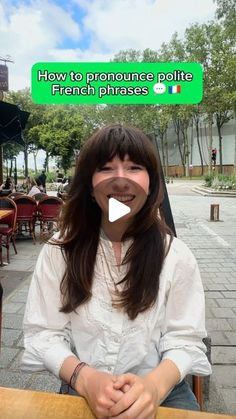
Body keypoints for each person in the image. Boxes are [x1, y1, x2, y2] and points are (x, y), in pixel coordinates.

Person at [22, 125, 211, 419]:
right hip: (82, 387)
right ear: (88, 183)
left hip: (164, 393)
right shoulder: (59, 250)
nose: (121, 179)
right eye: (107, 168)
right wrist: (85, 379)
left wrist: (154, 387)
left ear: (151, 183)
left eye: (135, 167)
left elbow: (185, 339)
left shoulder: (176, 255)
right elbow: (43, 334)